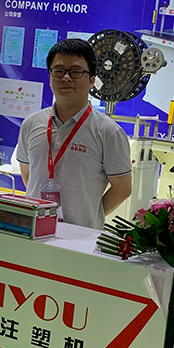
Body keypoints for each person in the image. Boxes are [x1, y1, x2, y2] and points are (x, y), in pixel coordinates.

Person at [16, 38, 132, 229]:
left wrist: (90, 216)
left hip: (82, 236)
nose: (66, 78)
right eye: (58, 71)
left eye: (76, 71)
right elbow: (28, 175)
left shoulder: (108, 132)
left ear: (92, 80)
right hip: (34, 230)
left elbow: (123, 188)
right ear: (50, 76)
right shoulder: (31, 124)